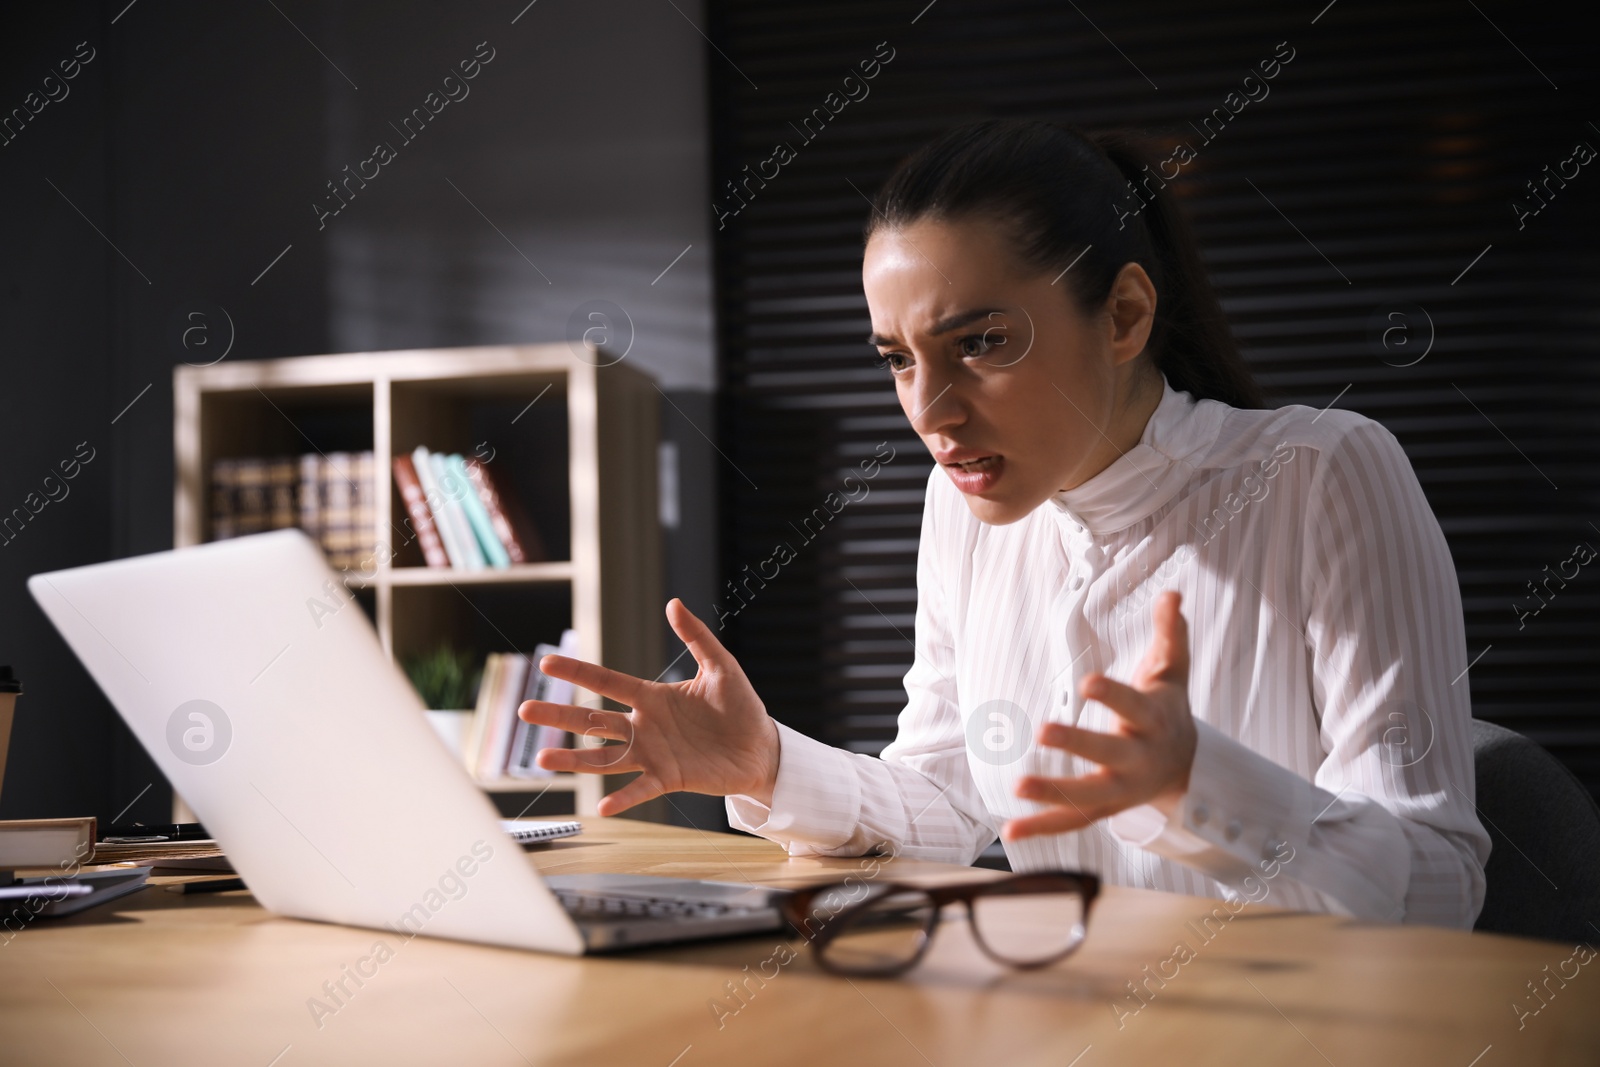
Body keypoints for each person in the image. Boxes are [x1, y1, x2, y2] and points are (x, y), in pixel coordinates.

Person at [518, 119, 1489, 928]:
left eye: (979, 342)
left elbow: (1442, 885)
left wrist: (1199, 782)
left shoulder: (1324, 475)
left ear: (1123, 316)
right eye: (897, 357)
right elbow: (948, 803)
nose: (929, 410)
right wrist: (766, 761)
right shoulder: (965, 505)